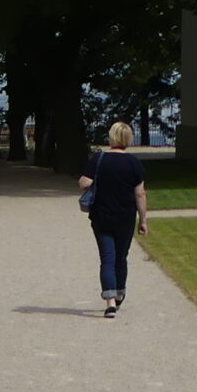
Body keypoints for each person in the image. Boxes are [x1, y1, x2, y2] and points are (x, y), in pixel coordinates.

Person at [77, 121, 149, 316]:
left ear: (111, 137)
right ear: (128, 139)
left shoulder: (99, 159)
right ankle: (119, 294)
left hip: (101, 216)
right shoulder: (134, 163)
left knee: (107, 258)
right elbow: (140, 194)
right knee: (121, 258)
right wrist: (143, 220)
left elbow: (84, 183)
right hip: (125, 217)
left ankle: (109, 301)